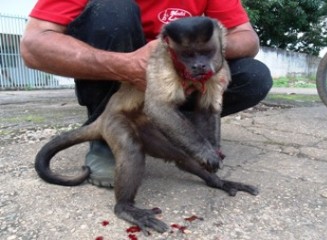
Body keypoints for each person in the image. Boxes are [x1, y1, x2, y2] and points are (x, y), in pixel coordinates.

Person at [21, 0, 272, 188]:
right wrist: (126, 65)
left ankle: (180, 135)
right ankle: (108, 141)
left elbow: (248, 38)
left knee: (253, 76)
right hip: (122, 86)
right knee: (113, 10)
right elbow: (33, 46)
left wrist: (205, 59)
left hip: (179, 76)